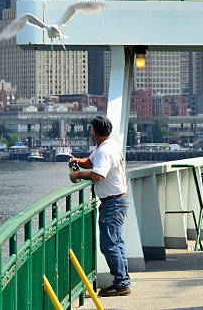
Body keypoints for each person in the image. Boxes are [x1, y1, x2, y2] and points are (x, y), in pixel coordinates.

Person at [69, 115, 131, 297]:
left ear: (94, 132)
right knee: (117, 242)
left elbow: (98, 175)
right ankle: (123, 280)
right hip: (117, 201)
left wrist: (77, 175)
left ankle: (121, 283)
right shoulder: (107, 146)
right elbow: (90, 162)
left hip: (112, 203)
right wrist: (78, 162)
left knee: (109, 244)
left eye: (91, 129)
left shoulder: (104, 151)